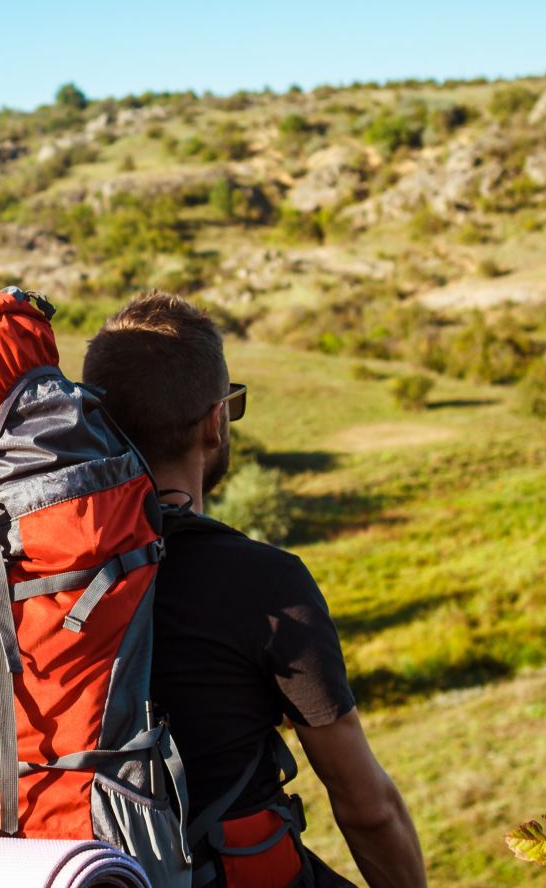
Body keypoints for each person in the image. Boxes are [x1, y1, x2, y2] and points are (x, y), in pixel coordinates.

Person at [81, 294, 426, 888]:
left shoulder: (34, 572)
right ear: (214, 422)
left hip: (88, 871)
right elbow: (369, 808)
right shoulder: (266, 582)